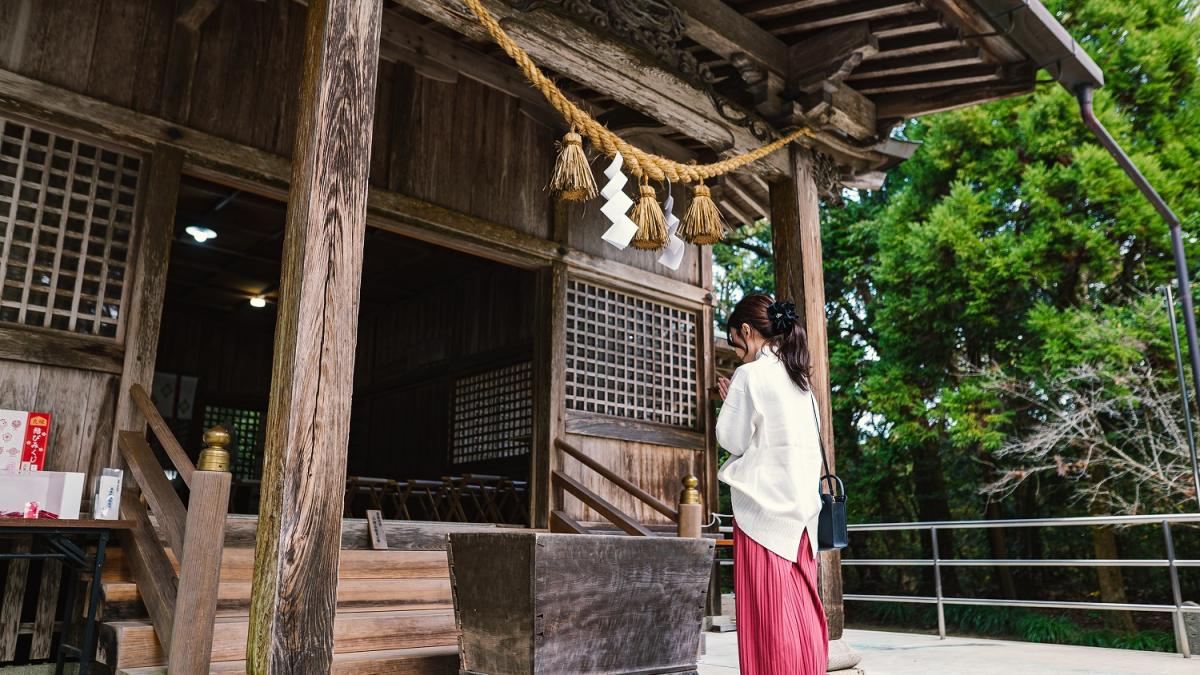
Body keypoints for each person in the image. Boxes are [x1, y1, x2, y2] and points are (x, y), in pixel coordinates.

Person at [716, 293, 829, 675]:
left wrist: (730, 397)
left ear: (746, 331)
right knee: (801, 613)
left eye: (735, 342)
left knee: (769, 620)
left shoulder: (749, 376)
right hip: (802, 518)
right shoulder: (802, 383)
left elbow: (731, 439)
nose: (736, 353)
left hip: (763, 515)